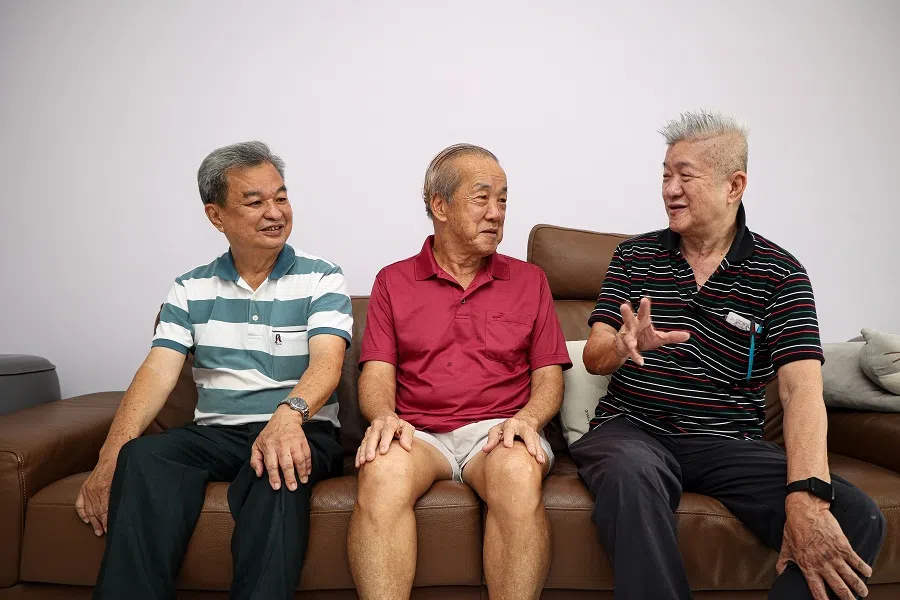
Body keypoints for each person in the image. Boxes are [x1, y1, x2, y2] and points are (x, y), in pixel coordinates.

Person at [572, 111, 885, 600]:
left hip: (726, 443)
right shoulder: (633, 258)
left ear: (733, 185)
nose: (669, 189)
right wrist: (621, 343)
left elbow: (801, 390)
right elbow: (593, 355)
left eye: (685, 176)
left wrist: (807, 498)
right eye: (665, 174)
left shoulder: (780, 274)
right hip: (632, 428)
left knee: (855, 514)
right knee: (630, 474)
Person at [75, 141, 353, 599]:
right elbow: (157, 374)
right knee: (143, 457)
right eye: (255, 201)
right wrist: (109, 460)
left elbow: (328, 361)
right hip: (218, 433)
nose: (275, 212)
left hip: (301, 428)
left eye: (281, 197)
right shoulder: (190, 287)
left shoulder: (322, 277)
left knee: (277, 467)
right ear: (216, 215)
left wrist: (288, 417)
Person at [347, 144, 571, 600]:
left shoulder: (531, 281)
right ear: (440, 205)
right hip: (419, 434)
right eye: (482, 198)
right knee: (382, 470)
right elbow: (375, 373)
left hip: (498, 431)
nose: (496, 213)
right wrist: (384, 417)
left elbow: (549, 377)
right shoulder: (393, 281)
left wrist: (527, 421)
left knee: (516, 469)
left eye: (503, 200)